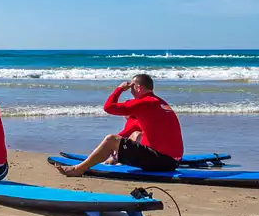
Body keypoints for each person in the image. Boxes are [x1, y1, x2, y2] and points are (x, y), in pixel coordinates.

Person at [56, 74, 184, 177]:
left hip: (161, 161)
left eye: (132, 86)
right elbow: (133, 129)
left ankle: (78, 169)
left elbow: (108, 107)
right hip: (172, 161)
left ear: (138, 87)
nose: (130, 89)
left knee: (111, 139)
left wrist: (120, 88)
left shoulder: (144, 103)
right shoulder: (158, 103)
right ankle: (114, 159)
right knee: (135, 135)